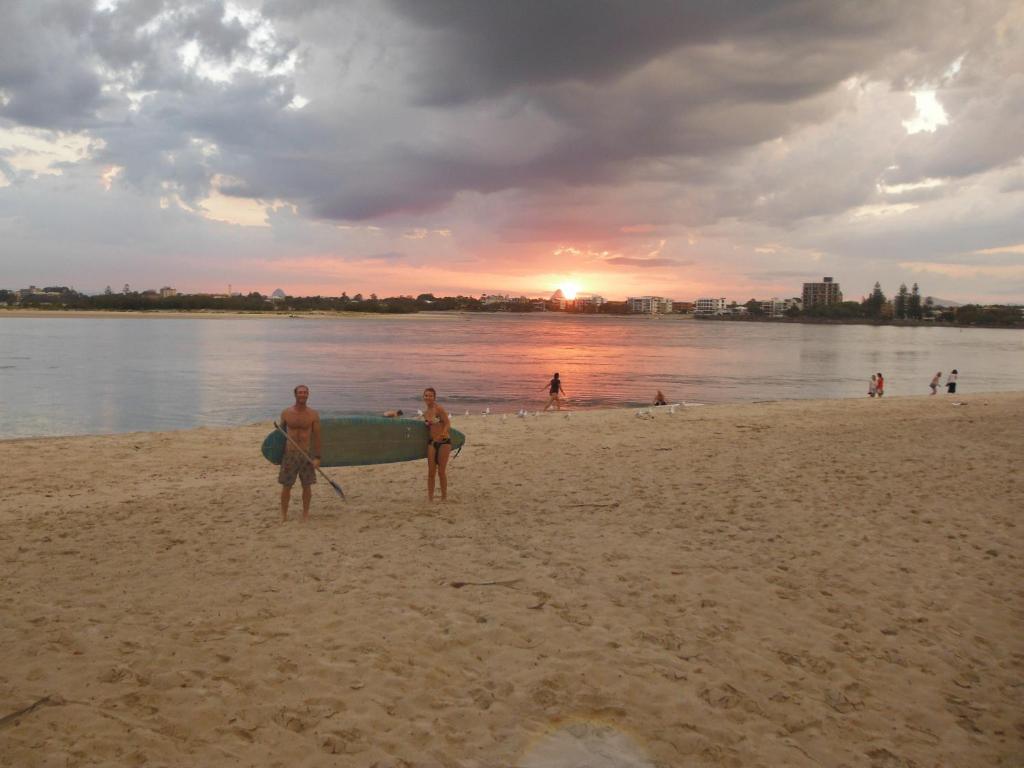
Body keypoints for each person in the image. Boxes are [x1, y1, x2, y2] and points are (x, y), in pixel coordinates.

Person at [278, 384, 321, 522]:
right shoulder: (286, 413)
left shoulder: (313, 414)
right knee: (286, 486)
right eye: (300, 392)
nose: (303, 394)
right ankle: (284, 515)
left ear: (308, 395)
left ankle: (305, 514)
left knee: (306, 486)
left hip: (306, 454)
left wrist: (317, 457)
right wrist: (278, 456)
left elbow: (317, 437)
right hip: (290, 454)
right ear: (295, 394)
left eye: (305, 392)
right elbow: (279, 435)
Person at [423, 387, 452, 501]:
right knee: (431, 473)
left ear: (434, 397)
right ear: (423, 397)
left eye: (430, 395)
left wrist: (444, 433)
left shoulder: (438, 409)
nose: (428, 397)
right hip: (432, 442)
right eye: (426, 395)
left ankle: (444, 497)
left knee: (441, 472)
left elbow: (447, 423)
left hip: (444, 442)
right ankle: (430, 498)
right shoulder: (425, 413)